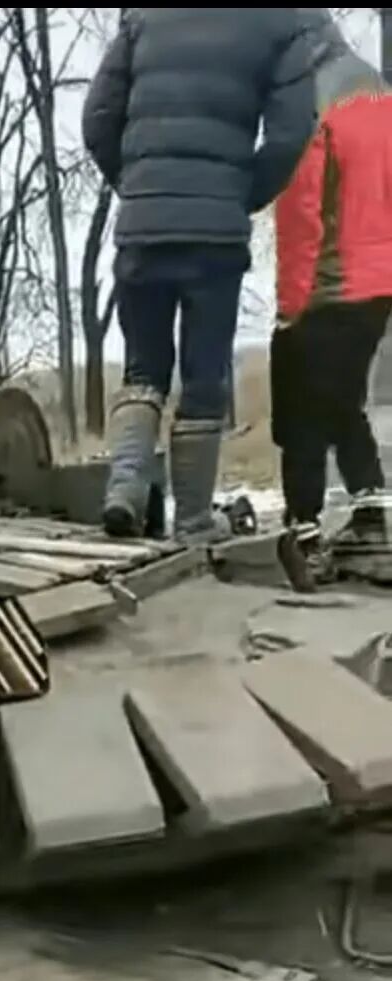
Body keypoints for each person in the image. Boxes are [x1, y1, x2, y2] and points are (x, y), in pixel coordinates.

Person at [82, 9, 318, 542]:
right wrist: (236, 198)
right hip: (215, 238)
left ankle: (125, 487)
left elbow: (97, 119)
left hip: (143, 227)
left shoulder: (144, 18)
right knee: (203, 377)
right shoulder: (278, 25)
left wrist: (139, 186)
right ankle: (191, 522)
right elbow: (289, 136)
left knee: (143, 370)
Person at [270, 10, 392, 571]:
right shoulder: (381, 94)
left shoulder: (310, 103)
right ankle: (371, 518)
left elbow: (301, 216)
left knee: (301, 409)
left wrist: (289, 308)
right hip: (381, 285)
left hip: (331, 285)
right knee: (343, 399)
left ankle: (304, 532)